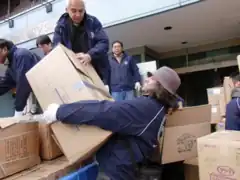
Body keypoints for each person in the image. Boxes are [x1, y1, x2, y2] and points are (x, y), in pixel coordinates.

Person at [33, 66, 181, 180]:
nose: (148, 78)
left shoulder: (147, 107)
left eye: (153, 78)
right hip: (124, 168)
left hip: (116, 172)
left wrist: (59, 112)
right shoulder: (158, 108)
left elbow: (105, 111)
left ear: (161, 86)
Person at [52, 0, 110, 87]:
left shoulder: (93, 22)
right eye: (74, 11)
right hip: (74, 74)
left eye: (81, 11)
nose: (78, 15)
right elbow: (57, 49)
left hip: (97, 72)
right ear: (67, 10)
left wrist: (89, 55)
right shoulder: (61, 27)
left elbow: (104, 42)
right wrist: (72, 58)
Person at [0, 39, 40, 117]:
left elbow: (23, 84)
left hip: (50, 91)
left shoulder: (21, 55)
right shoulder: (11, 66)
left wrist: (18, 110)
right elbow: (4, 85)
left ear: (4, 49)